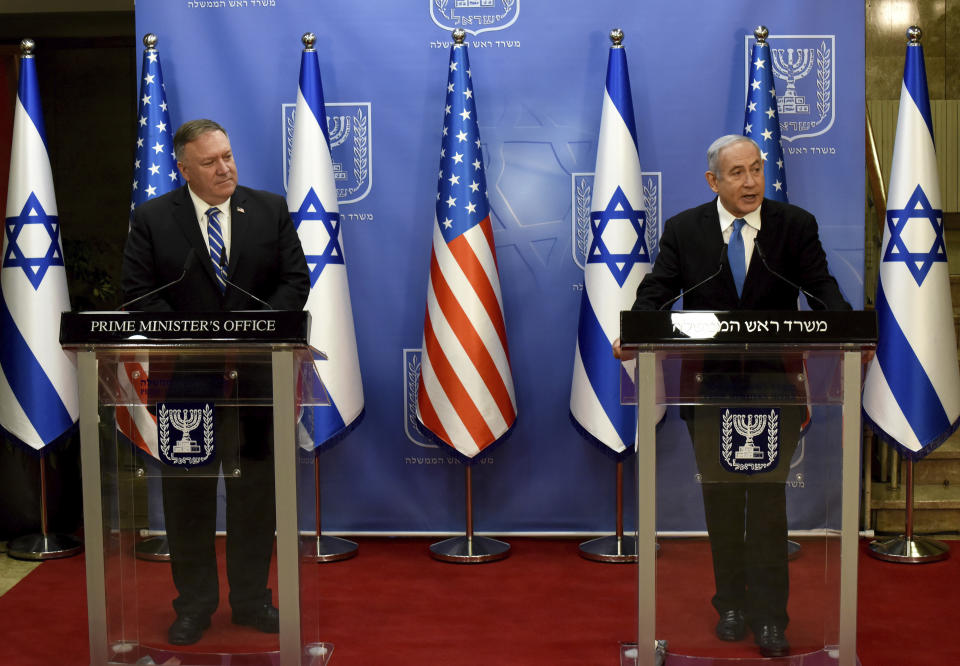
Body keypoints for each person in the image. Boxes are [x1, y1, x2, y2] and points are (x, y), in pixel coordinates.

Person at [617, 135, 850, 658]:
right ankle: (731, 607)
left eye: (756, 170)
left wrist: (850, 332)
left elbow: (821, 288)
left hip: (775, 388)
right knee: (721, 502)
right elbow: (656, 292)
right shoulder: (685, 231)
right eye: (738, 173)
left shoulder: (795, 226)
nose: (750, 183)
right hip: (709, 388)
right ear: (713, 181)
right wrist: (634, 331)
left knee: (767, 506)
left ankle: (771, 619)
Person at [122, 119, 310, 645]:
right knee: (189, 500)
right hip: (188, 384)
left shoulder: (268, 209)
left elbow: (295, 281)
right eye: (210, 162)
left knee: (255, 500)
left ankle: (252, 602)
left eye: (228, 155)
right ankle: (194, 607)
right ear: (184, 168)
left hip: (257, 382)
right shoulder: (155, 219)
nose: (225, 167)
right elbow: (138, 294)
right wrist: (197, 336)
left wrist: (252, 332)